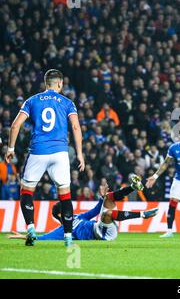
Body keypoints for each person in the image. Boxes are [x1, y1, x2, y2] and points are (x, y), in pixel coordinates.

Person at [4, 69, 85, 247]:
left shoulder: (32, 100)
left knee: (26, 190)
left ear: (45, 83)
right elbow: (76, 127)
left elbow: (16, 125)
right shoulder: (67, 103)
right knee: (65, 194)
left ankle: (31, 229)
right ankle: (68, 237)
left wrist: (10, 148)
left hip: (38, 151)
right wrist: (79, 154)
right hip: (60, 153)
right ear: (60, 84)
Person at [8, 175, 157, 241]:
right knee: (107, 214)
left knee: (109, 197)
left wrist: (101, 197)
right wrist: (26, 236)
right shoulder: (62, 231)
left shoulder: (78, 217)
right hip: (102, 235)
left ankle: (133, 186)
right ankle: (143, 215)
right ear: (60, 214)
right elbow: (44, 238)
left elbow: (94, 212)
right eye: (66, 209)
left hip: (101, 226)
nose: (70, 210)